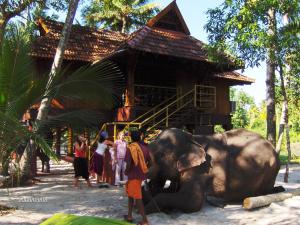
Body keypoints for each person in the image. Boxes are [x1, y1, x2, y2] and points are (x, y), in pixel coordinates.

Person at [123, 130, 150, 225]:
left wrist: (126, 171)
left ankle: (145, 221)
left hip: (133, 175)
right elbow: (151, 161)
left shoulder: (131, 148)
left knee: (138, 198)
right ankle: (129, 216)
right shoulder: (146, 147)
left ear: (131, 138)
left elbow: (129, 164)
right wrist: (143, 167)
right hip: (141, 174)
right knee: (131, 195)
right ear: (140, 137)